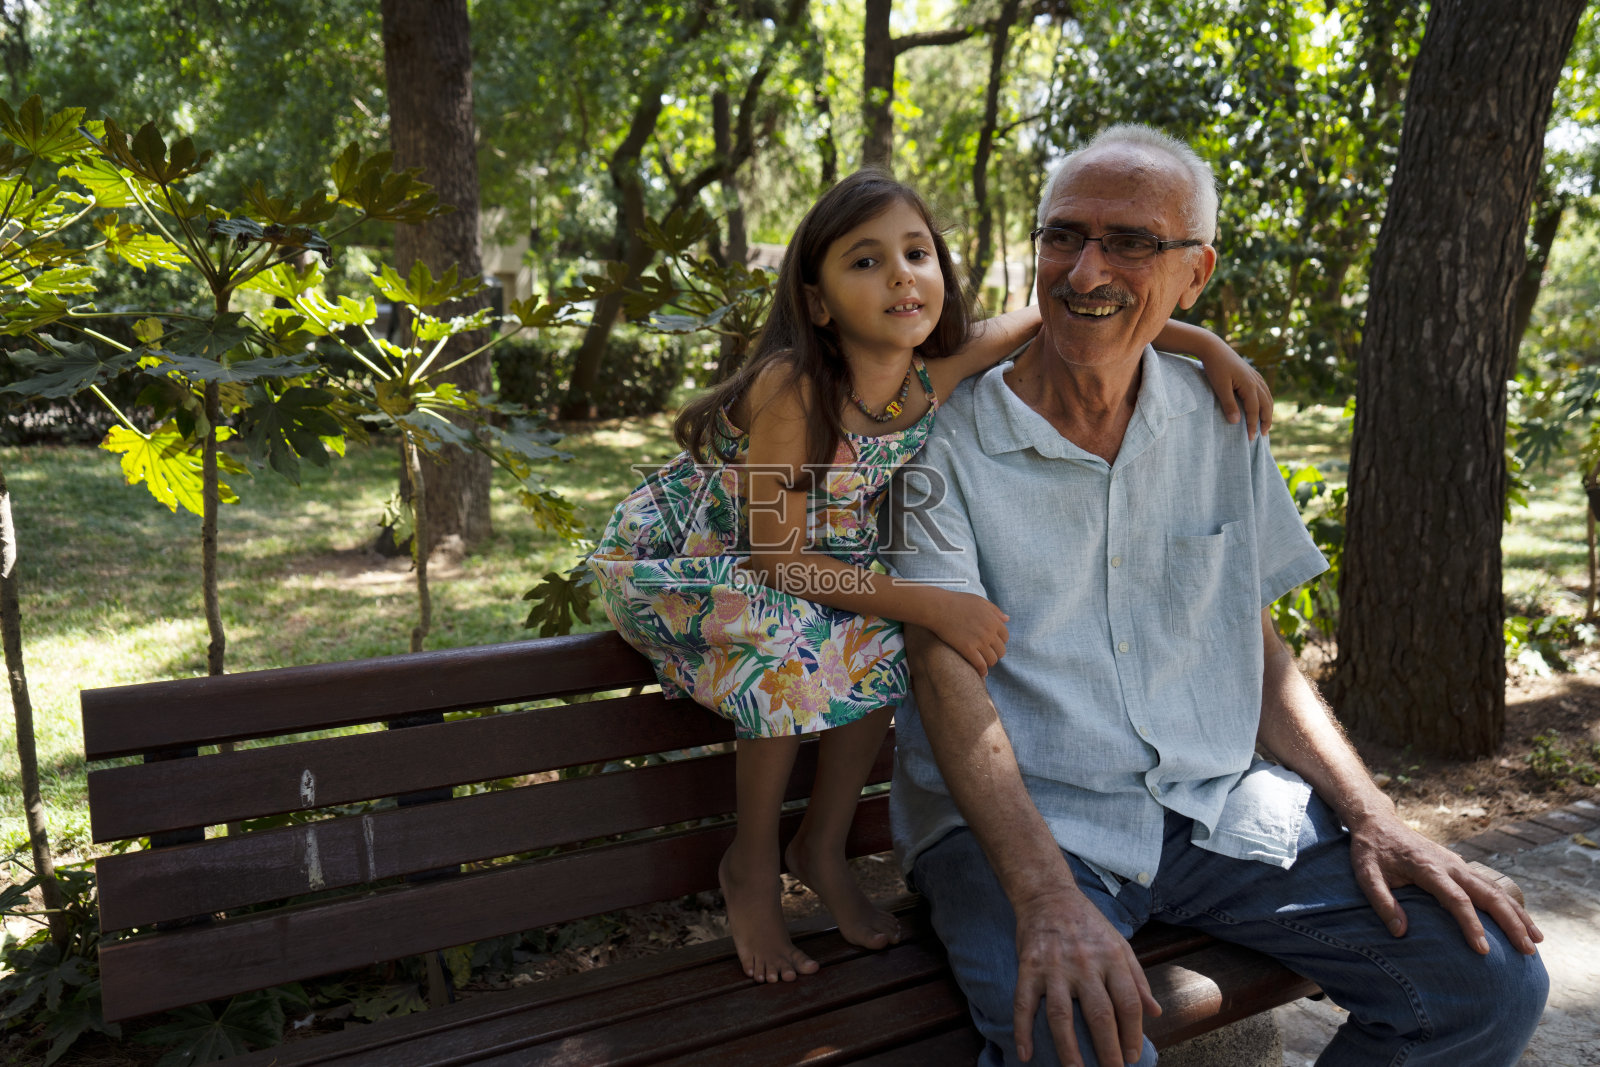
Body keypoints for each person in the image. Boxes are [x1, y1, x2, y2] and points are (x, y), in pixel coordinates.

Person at [883, 126, 1550, 1066]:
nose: (1084, 271)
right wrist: (1043, 898)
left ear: (1195, 274)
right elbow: (945, 678)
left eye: (1131, 243)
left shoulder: (1218, 417)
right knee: (1082, 1045)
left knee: (1486, 980)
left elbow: (1259, 650)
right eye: (1064, 236)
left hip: (1215, 807)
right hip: (1027, 826)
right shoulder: (938, 443)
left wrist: (1377, 817)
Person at [589, 168, 1270, 986]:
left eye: (916, 253)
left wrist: (1207, 344)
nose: (901, 275)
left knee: (879, 640)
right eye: (865, 262)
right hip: (715, 556)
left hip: (824, 562)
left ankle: (823, 844)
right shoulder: (792, 388)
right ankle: (753, 859)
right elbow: (774, 560)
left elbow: (1076, 315)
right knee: (784, 643)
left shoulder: (932, 376)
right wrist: (933, 600)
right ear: (816, 301)